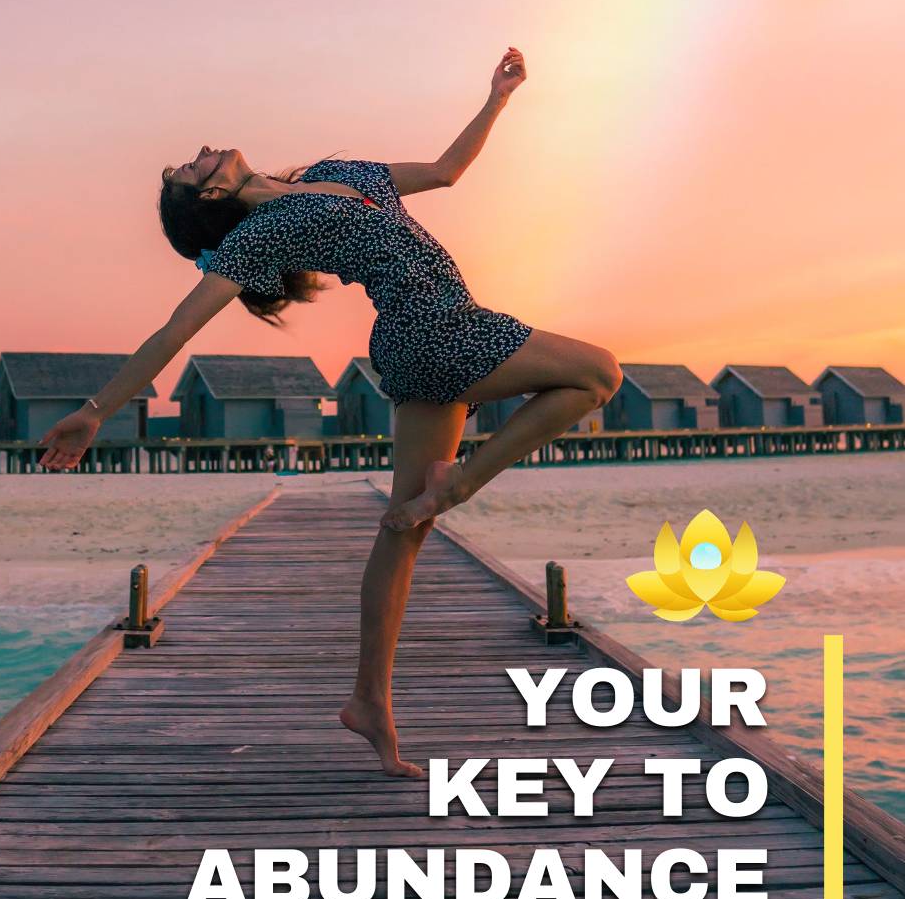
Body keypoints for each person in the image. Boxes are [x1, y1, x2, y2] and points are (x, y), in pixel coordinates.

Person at [38, 48, 621, 775]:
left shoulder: (336, 176)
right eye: (195, 167)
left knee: (405, 526)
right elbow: (175, 332)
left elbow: (445, 171)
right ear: (213, 199)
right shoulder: (261, 235)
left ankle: (369, 701)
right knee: (599, 372)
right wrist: (96, 410)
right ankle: (462, 482)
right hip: (437, 331)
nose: (203, 151)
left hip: (422, 344)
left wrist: (497, 98)